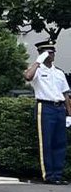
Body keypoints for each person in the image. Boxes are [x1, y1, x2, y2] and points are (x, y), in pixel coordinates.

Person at [25, 39, 71, 184]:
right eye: (47, 52)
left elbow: (66, 95)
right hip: (44, 107)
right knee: (46, 142)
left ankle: (57, 175)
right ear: (41, 54)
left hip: (59, 109)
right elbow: (27, 76)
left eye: (52, 52)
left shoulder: (58, 73)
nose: (51, 55)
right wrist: (38, 62)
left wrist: (69, 113)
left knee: (60, 143)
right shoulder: (37, 71)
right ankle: (48, 175)